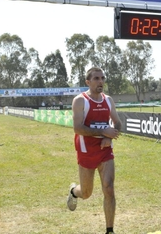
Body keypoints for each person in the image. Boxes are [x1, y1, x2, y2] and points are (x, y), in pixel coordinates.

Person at [67, 67, 122, 234]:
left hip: (105, 151)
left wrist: (109, 138)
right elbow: (77, 128)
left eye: (103, 78)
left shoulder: (108, 100)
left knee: (109, 188)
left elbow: (118, 124)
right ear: (88, 82)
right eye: (96, 78)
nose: (101, 81)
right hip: (86, 152)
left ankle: (110, 230)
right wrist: (103, 132)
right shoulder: (80, 101)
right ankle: (73, 192)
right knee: (86, 192)